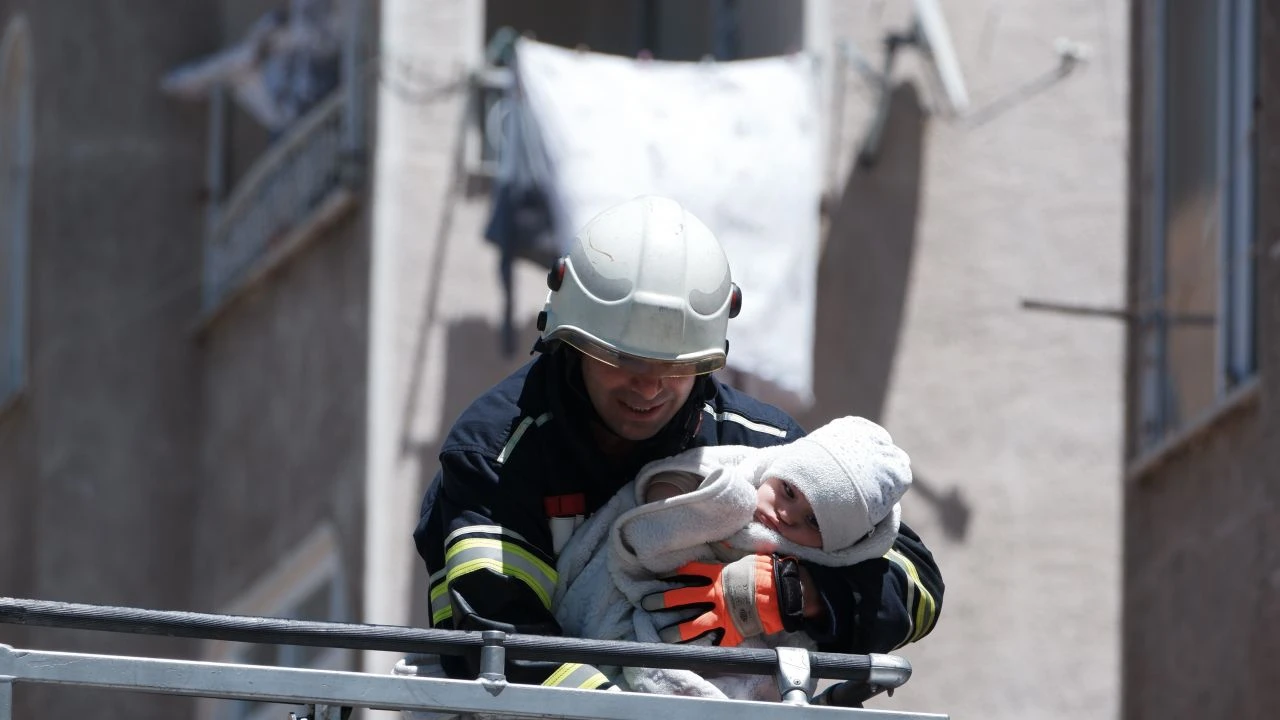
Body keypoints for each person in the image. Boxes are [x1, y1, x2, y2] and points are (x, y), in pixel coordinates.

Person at [413, 195, 943, 692]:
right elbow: (498, 640)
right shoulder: (497, 453)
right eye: (623, 360)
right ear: (571, 343)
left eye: (676, 367)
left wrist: (799, 592)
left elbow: (916, 585)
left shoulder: (761, 447)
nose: (648, 388)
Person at [547, 414, 913, 699]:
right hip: (639, 598)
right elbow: (666, 488)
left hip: (732, 655)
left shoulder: (823, 560)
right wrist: (698, 503)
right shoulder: (743, 466)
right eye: (788, 490)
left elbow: (910, 586)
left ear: (836, 545)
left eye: (813, 522)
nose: (787, 513)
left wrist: (799, 593)